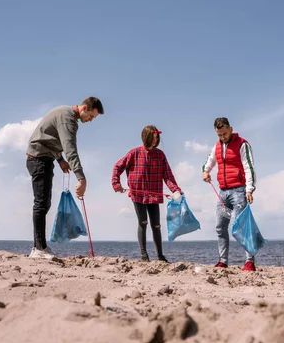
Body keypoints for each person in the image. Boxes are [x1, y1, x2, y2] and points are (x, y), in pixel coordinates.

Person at [26, 96, 104, 259]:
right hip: (39, 159)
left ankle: (41, 246)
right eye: (91, 116)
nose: (90, 120)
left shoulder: (66, 114)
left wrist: (60, 160)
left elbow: (51, 140)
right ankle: (38, 248)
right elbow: (71, 150)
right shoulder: (68, 119)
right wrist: (81, 178)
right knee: (41, 203)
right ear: (84, 108)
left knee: (45, 203)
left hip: (43, 157)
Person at [112, 125, 182, 263]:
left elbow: (167, 175)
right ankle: (144, 256)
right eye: (153, 138)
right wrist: (116, 183)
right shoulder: (134, 153)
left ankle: (160, 256)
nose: (155, 141)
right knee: (143, 222)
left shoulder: (160, 155)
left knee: (156, 225)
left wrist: (175, 190)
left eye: (157, 139)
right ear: (146, 137)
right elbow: (117, 166)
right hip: (138, 194)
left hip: (154, 194)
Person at [202, 117, 258, 272]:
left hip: (239, 191)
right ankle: (223, 261)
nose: (222, 137)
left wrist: (249, 189)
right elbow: (209, 161)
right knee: (220, 227)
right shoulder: (217, 146)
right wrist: (205, 172)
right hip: (222, 193)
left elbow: (249, 167)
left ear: (231, 129)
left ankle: (249, 262)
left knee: (242, 226)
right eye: (219, 135)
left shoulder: (242, 144)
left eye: (224, 134)